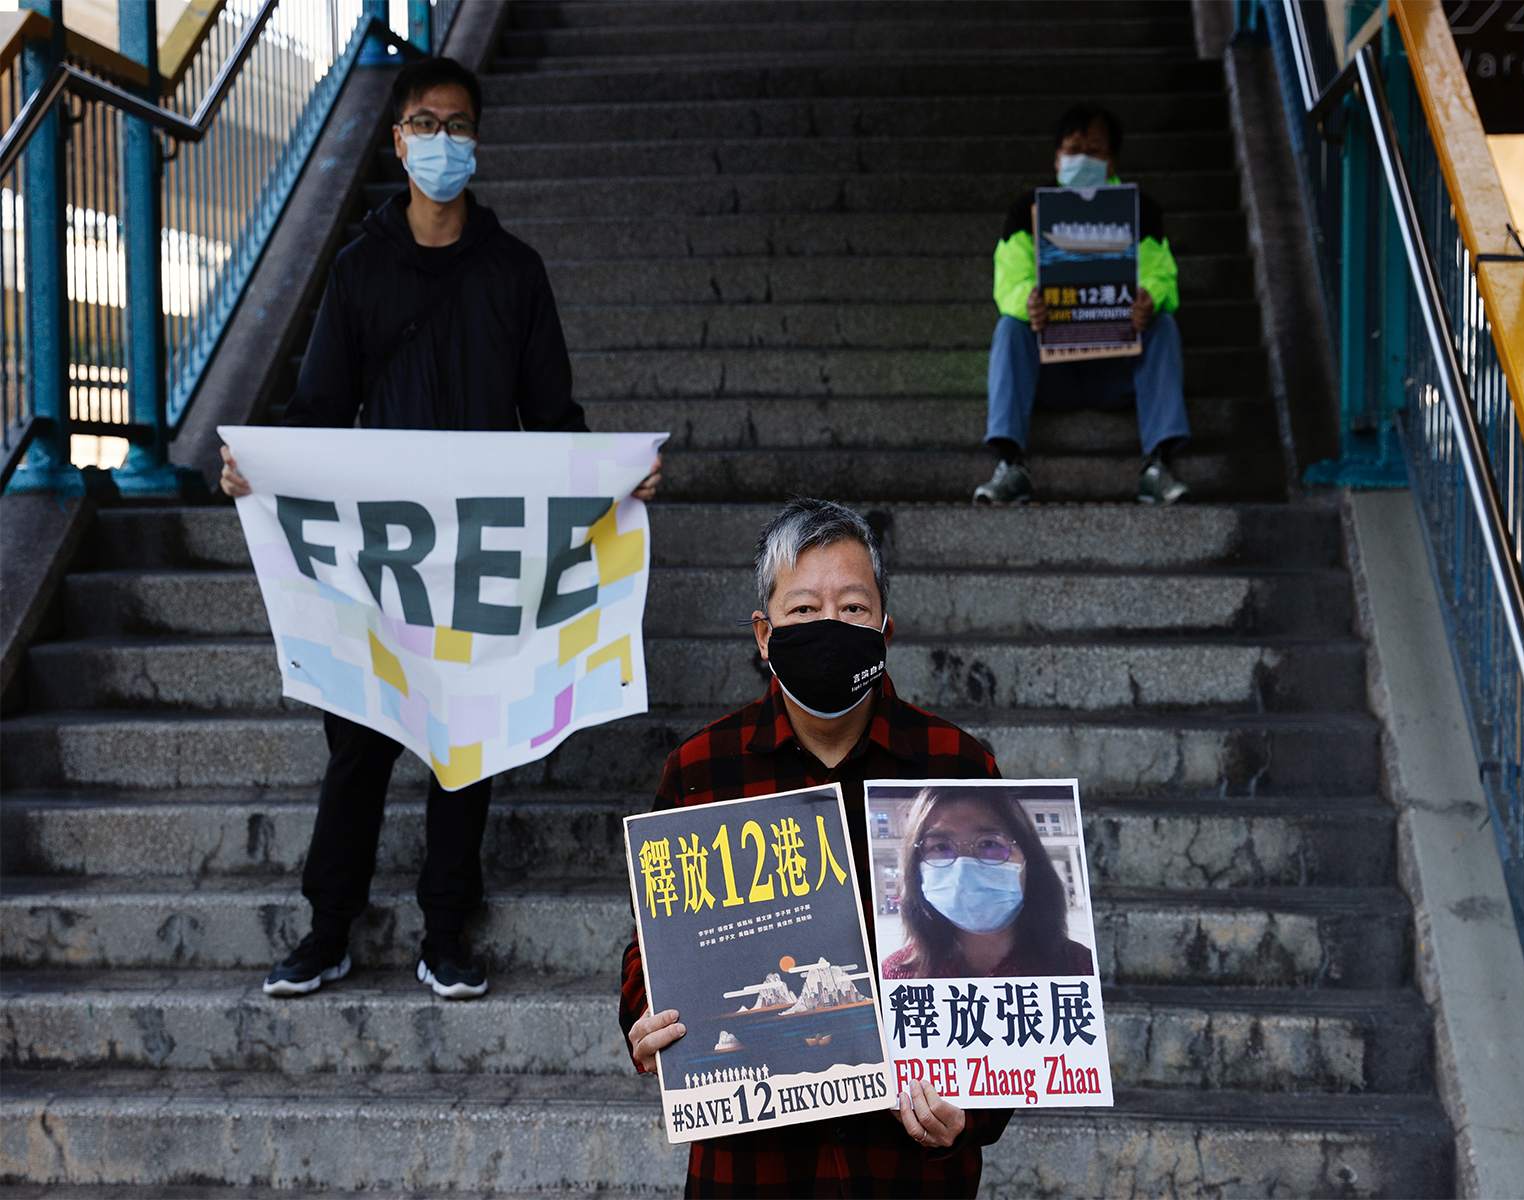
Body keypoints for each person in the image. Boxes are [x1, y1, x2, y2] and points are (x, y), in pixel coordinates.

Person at [218, 56, 661, 1002]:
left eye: (458, 125)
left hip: (478, 556)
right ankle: (328, 928)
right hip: (386, 558)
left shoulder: (514, 273)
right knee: (361, 738)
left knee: (468, 738)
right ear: (398, 140)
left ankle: (446, 932)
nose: (443, 141)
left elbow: (553, 419)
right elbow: (320, 410)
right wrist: (260, 471)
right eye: (425, 123)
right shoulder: (359, 270)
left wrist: (612, 487)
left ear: (477, 140)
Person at [619, 497, 1012, 1197]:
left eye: (853, 608)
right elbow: (652, 944)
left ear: (885, 629)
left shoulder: (956, 763)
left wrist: (976, 1107)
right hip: (750, 1168)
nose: (829, 627)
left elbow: (1014, 972)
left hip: (909, 1169)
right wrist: (645, 1015)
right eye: (803, 611)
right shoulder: (702, 767)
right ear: (764, 634)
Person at [974, 101, 1190, 507]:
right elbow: (1009, 281)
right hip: (1052, 371)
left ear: (1111, 163)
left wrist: (1149, 298)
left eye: (1095, 149)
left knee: (1163, 323)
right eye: (1074, 149)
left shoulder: (1140, 210)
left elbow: (1162, 274)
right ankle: (1010, 464)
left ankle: (1158, 465)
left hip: (1118, 367)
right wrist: (1028, 302)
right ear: (1056, 158)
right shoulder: (1026, 213)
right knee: (1009, 326)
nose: (1083, 158)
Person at [880, 786, 1094, 979]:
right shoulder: (895, 975)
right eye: (941, 847)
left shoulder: (1081, 969)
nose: (963, 867)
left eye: (989, 843)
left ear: (1029, 859)